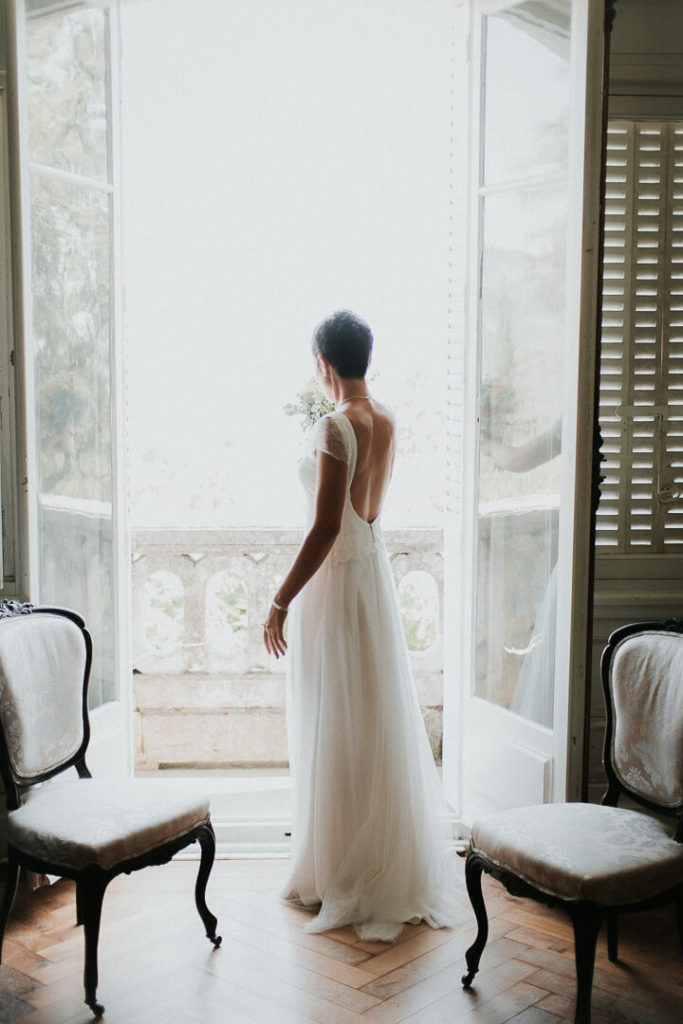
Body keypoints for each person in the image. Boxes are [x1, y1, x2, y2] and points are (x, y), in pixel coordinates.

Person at [263, 310, 456, 942]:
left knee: (333, 721)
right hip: (370, 579)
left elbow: (325, 527)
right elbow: (360, 515)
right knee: (367, 720)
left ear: (323, 363)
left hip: (334, 587)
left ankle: (336, 870)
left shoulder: (333, 426)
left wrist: (280, 601)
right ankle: (370, 860)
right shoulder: (388, 418)